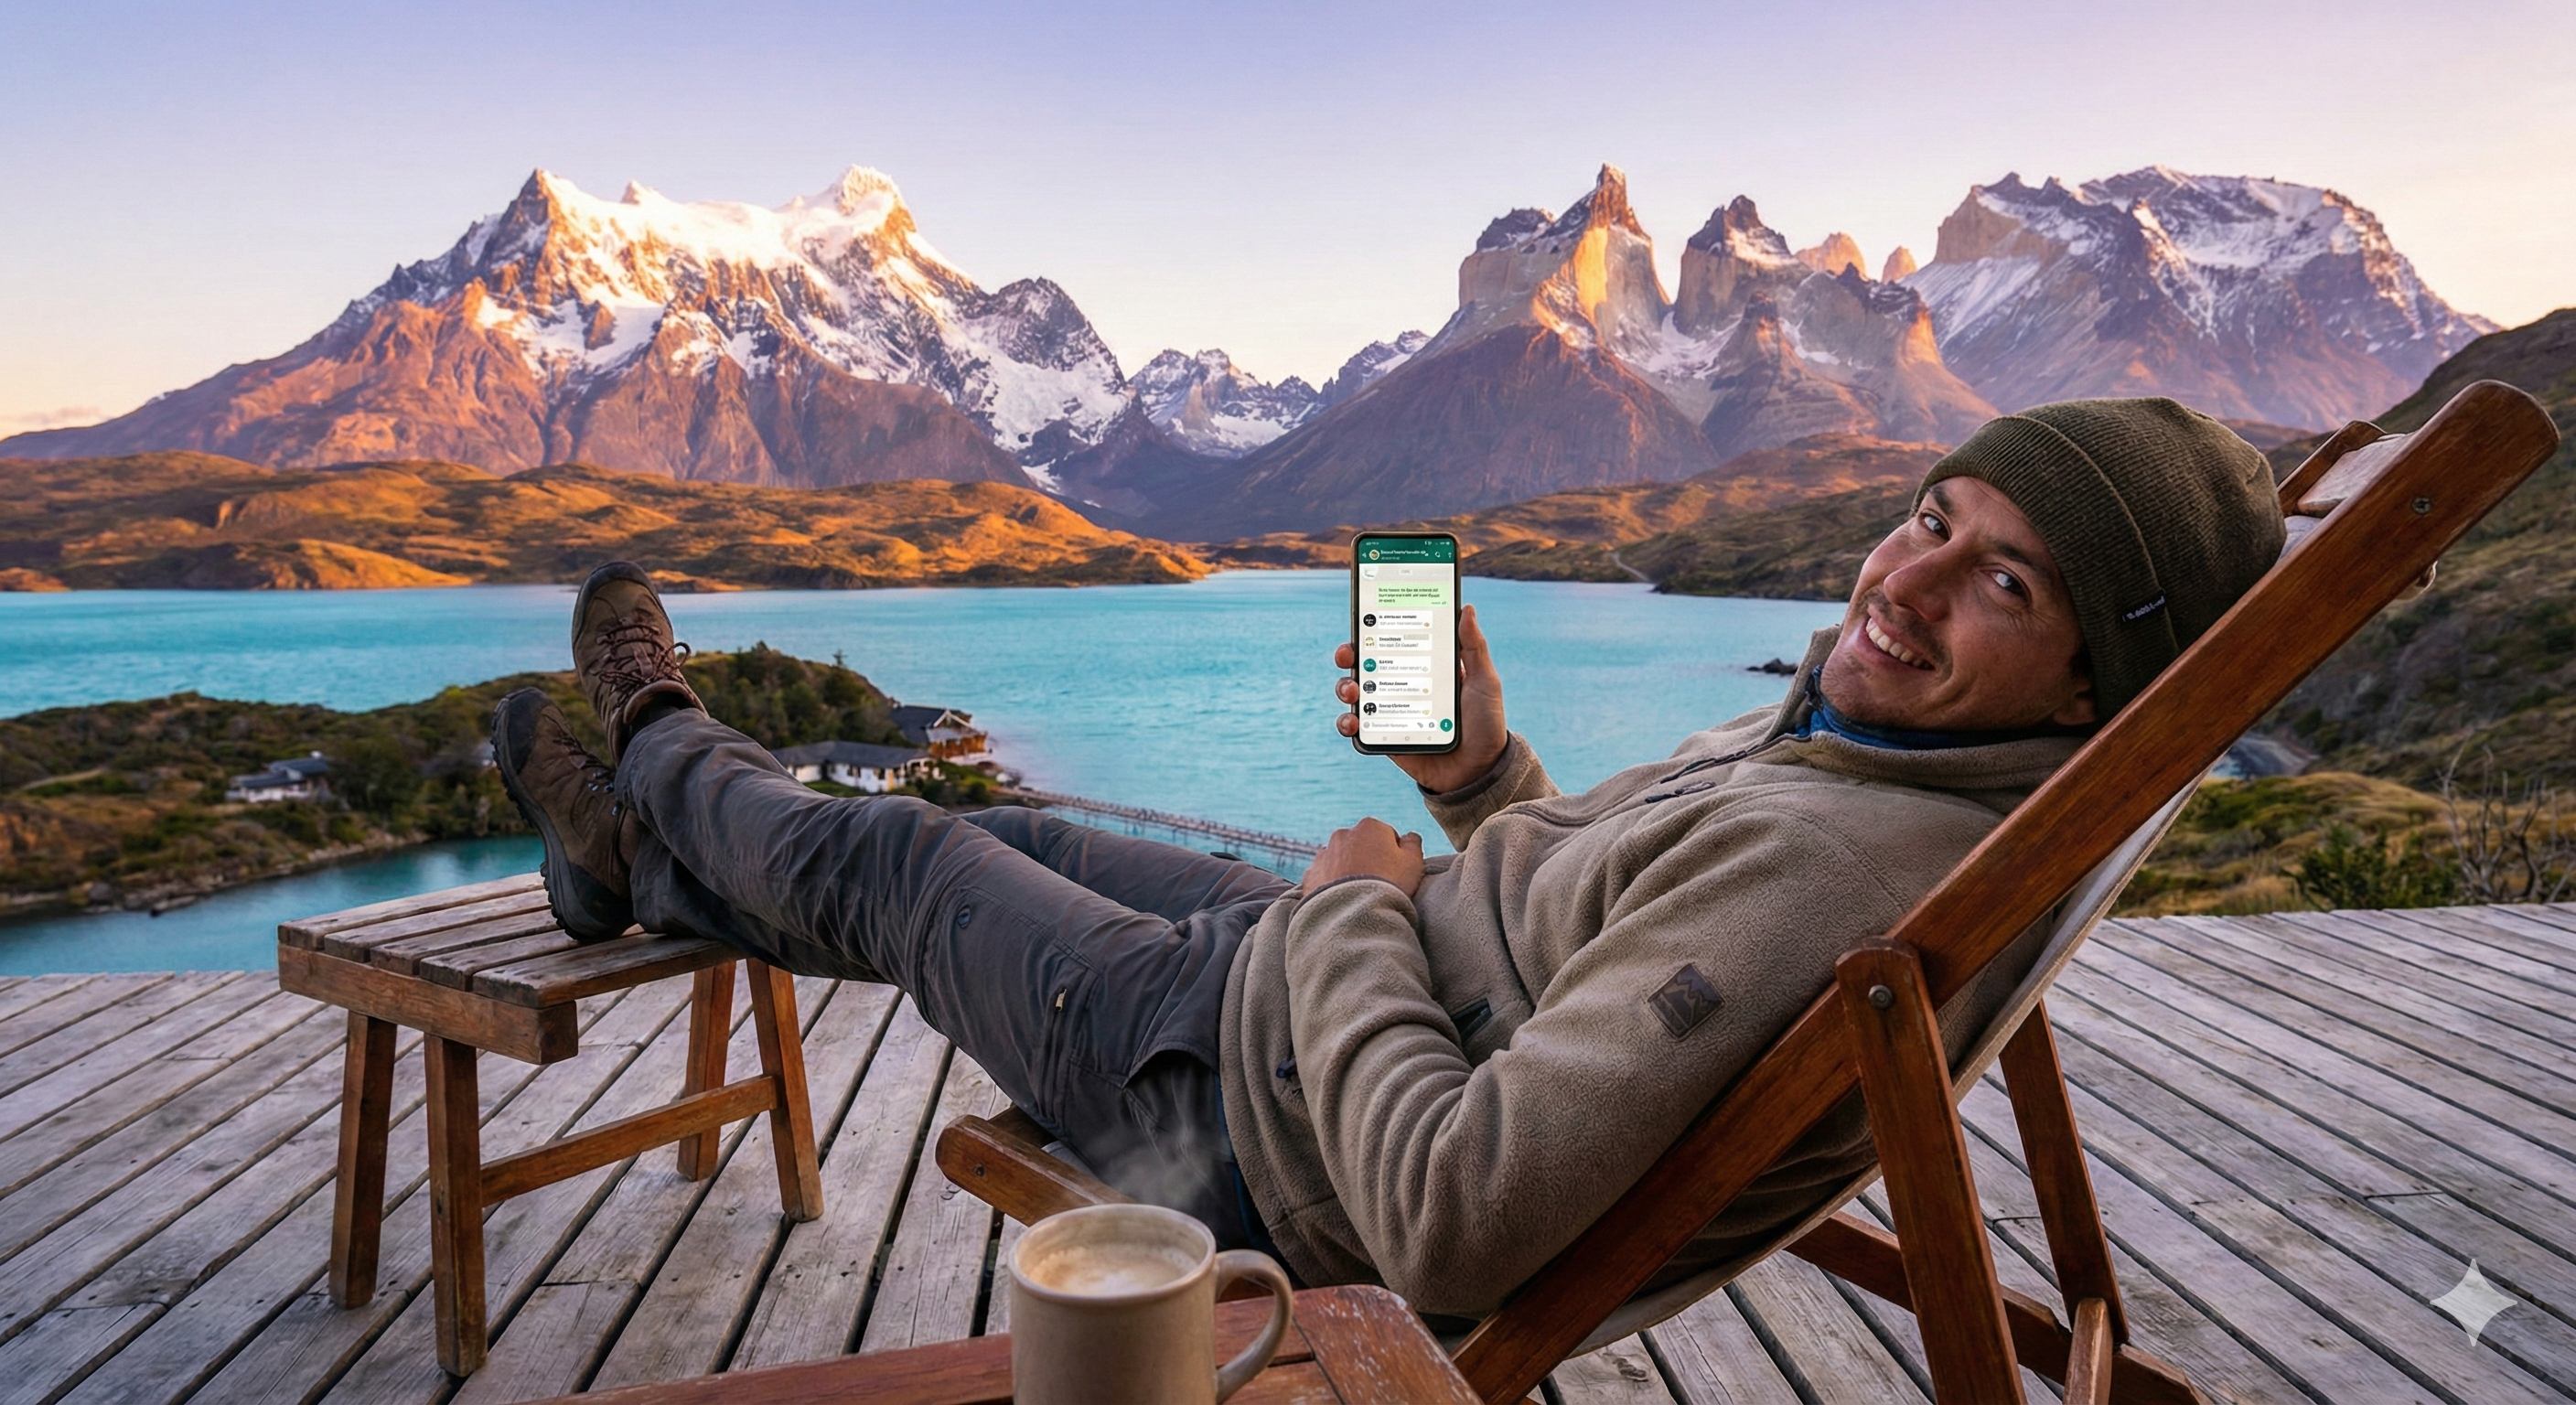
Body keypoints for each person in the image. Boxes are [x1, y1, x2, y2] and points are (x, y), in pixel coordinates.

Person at [491, 399, 2282, 1318]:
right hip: (1353, 998)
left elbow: (1443, 1221)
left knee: (899, 870)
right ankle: (630, 859)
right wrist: (1481, 770)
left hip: (1265, 1131)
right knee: (1005, 826)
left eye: (2006, 585)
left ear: (2089, 693)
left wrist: (1352, 910)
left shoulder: (1839, 877)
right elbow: (1607, 943)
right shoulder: (1898, 745)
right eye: (1932, 518)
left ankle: (647, 737)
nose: (1901, 584)